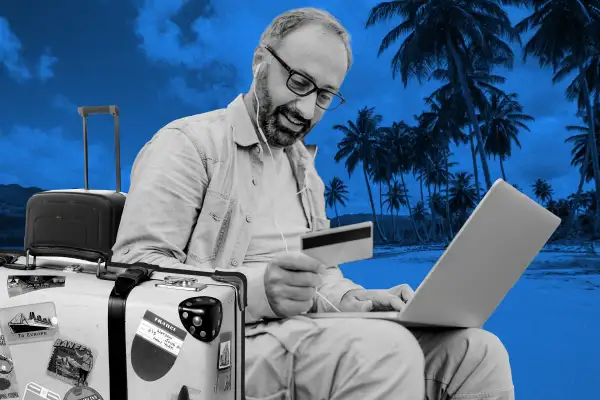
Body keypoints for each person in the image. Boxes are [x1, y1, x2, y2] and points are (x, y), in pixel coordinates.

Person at [111, 7, 514, 400]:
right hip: (220, 344)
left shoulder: (308, 174)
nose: (306, 109)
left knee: (476, 352)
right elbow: (135, 270)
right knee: (384, 351)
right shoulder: (188, 144)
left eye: (324, 96)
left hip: (304, 333)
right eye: (299, 82)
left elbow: (322, 277)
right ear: (259, 62)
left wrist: (354, 299)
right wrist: (257, 290)